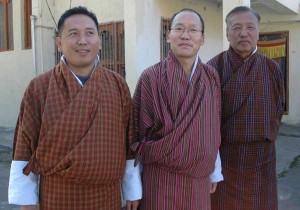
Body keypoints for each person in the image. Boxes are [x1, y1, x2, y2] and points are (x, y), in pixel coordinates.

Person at [8, 6, 142, 210]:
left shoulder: (118, 85)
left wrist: (132, 189)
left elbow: (128, 141)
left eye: (90, 33)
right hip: (57, 196)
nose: (82, 41)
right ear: (59, 43)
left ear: (99, 41)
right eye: (73, 34)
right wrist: (27, 201)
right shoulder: (39, 87)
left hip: (107, 197)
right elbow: (24, 146)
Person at [131, 8, 223, 210]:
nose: (185, 35)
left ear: (202, 38)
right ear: (168, 36)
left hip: (199, 179)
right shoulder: (150, 77)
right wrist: (132, 187)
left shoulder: (211, 77)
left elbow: (212, 127)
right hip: (159, 179)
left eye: (193, 30)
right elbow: (135, 135)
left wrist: (215, 170)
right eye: (179, 29)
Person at [207, 6, 285, 210]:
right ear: (227, 33)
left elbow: (278, 108)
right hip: (226, 159)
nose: (243, 33)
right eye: (237, 27)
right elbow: (205, 118)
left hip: (262, 158)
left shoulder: (271, 68)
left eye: (250, 27)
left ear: (258, 32)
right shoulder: (213, 68)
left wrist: (266, 133)